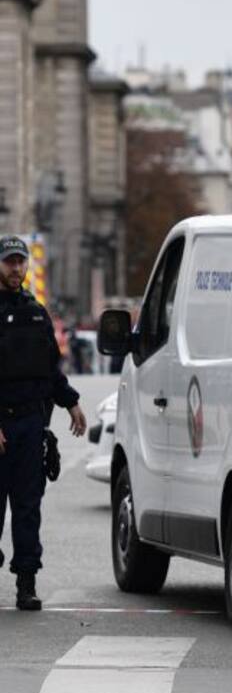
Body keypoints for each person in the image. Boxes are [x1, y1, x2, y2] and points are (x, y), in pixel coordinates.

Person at [0, 236, 86, 611]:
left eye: (20, 262)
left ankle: (26, 582)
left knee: (27, 508)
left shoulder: (36, 313)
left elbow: (49, 370)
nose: (16, 268)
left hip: (31, 425)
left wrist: (72, 404)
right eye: (9, 262)